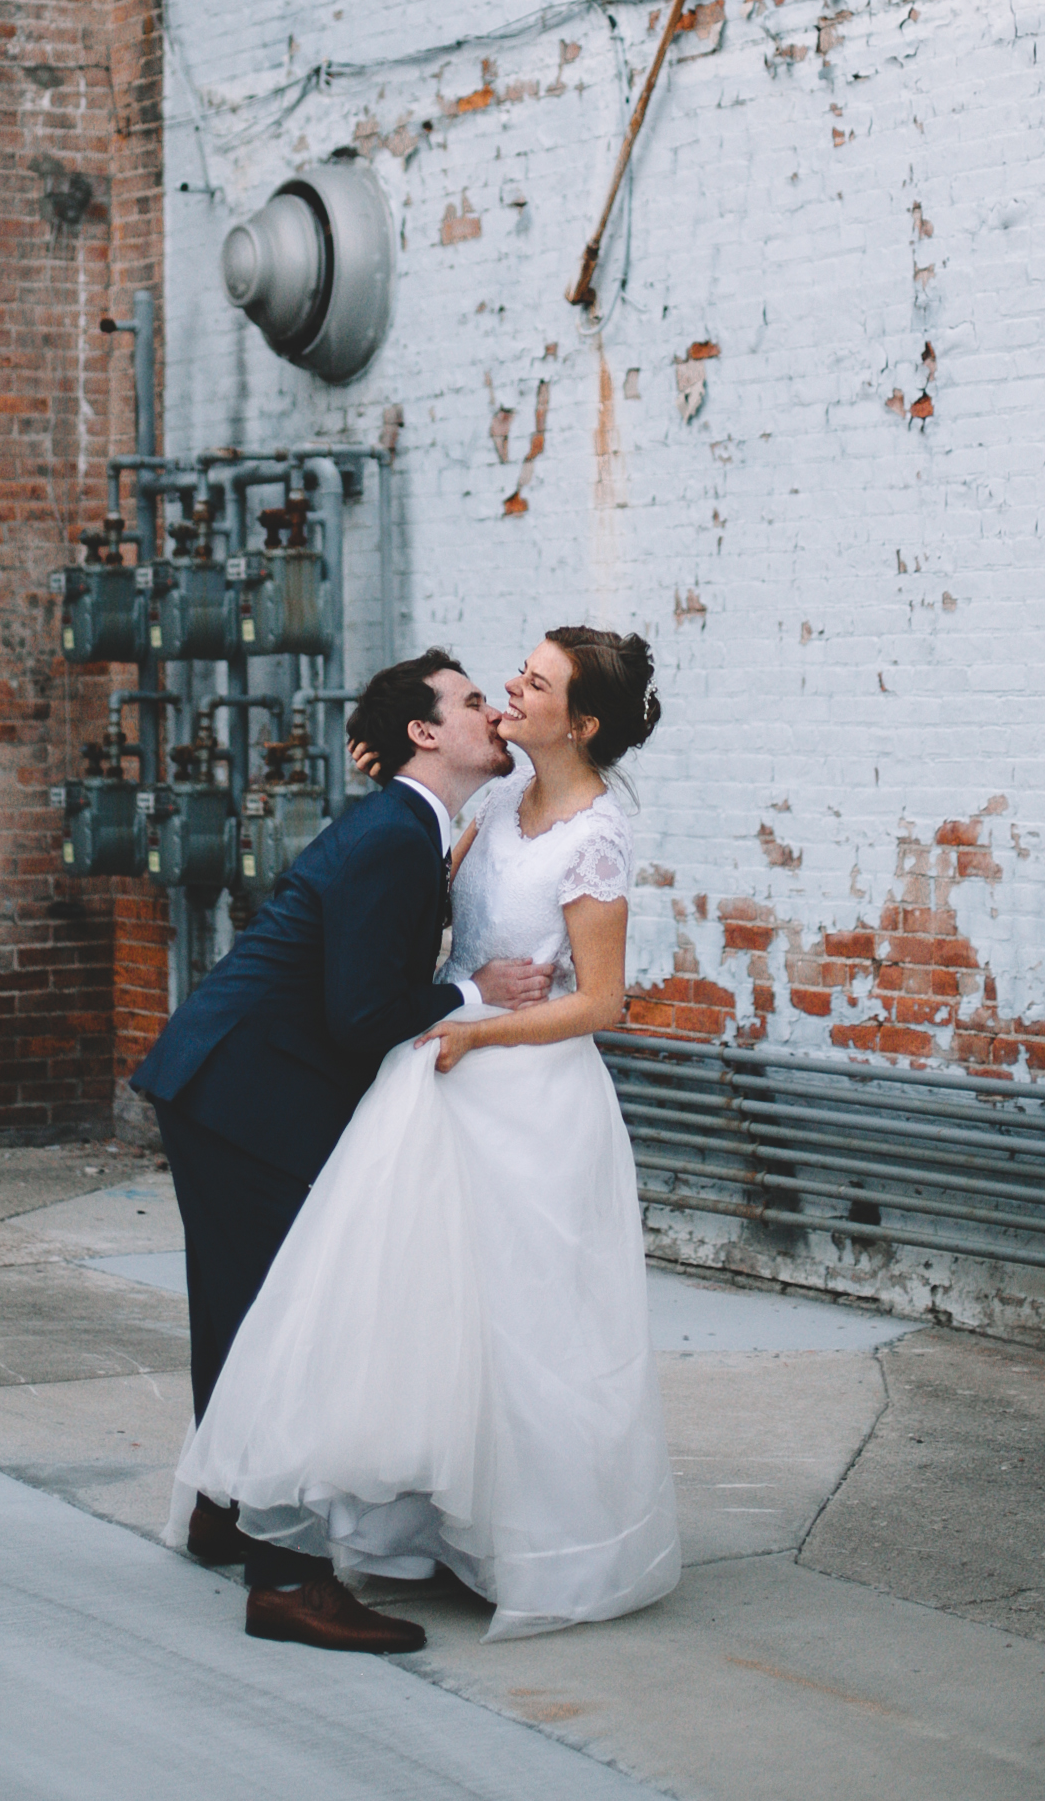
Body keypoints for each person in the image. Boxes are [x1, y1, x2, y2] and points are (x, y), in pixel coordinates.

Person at [177, 627, 681, 1646]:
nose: (505, 692)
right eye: (492, 688)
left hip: (519, 1096)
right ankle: (290, 1543)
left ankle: (492, 1537)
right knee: (368, 1308)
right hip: (399, 1078)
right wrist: (463, 1000)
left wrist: (472, 1025)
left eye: (530, 683)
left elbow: (600, 1000)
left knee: (513, 1321)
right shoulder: (468, 811)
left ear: (578, 722)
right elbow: (401, 948)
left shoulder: (582, 835)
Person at [130, 649, 555, 1654]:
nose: (491, 712)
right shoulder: (395, 839)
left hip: (233, 1085)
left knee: (245, 1313)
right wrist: (476, 992)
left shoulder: (413, 829)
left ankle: (223, 1508)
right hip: (244, 1093)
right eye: (468, 702)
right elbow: (362, 1013)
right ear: (422, 732)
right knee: (281, 1324)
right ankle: (287, 1581)